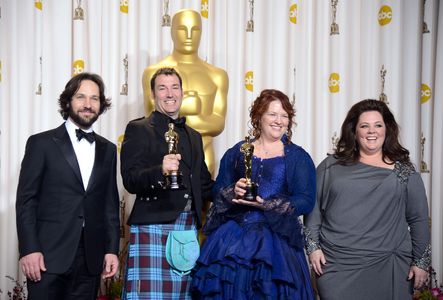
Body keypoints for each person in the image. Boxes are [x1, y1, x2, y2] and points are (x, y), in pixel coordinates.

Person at [191, 89, 316, 299]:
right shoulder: (237, 152)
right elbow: (216, 190)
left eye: (284, 116)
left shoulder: (298, 157)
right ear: (258, 117)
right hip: (233, 240)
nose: (279, 121)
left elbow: (306, 200)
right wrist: (232, 191)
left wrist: (269, 204)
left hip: (277, 246)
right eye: (272, 114)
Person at [304, 99, 430, 300]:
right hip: (336, 265)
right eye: (364, 126)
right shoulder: (330, 166)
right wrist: (313, 247)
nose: (372, 131)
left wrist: (421, 262)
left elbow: (419, 219)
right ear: (354, 131)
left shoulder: (404, 171)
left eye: (378, 125)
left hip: (389, 265)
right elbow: (313, 210)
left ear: (387, 129)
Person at [16, 73, 120, 299]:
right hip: (47, 255)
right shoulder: (41, 143)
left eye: (94, 98)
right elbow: (26, 201)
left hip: (91, 259)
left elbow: (110, 206)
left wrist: (112, 250)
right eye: (81, 97)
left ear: (101, 105)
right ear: (68, 101)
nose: (87, 104)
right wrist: (29, 249)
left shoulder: (109, 150)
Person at [120, 67, 213, 299]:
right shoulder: (138, 128)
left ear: (182, 92)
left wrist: (234, 190)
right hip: (153, 225)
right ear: (153, 95)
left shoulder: (194, 135)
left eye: (175, 87)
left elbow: (203, 185)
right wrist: (160, 171)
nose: (169, 94)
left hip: (188, 227)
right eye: (162, 88)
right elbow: (130, 180)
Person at [142, 9, 228, 175]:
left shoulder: (217, 75)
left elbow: (218, 123)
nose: (189, 35)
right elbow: (152, 120)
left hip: (204, 154)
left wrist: (182, 116)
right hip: (163, 155)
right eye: (182, 29)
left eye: (195, 30)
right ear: (172, 31)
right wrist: (194, 110)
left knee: (203, 196)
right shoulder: (152, 72)